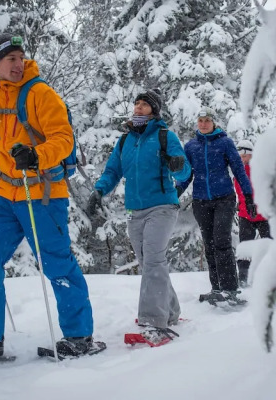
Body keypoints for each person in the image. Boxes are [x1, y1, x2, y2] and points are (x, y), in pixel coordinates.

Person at [0, 33, 99, 359]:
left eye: (20, 57)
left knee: (57, 264)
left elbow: (63, 139)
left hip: (43, 192)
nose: (18, 64)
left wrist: (35, 155)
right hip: (5, 194)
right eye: (10, 59)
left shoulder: (41, 94)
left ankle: (79, 336)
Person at [86, 89, 191, 345]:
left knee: (154, 259)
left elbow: (185, 168)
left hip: (163, 206)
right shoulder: (125, 141)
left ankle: (153, 323)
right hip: (136, 210)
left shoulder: (165, 136)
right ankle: (172, 312)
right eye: (136, 104)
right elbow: (112, 170)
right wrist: (99, 191)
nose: (138, 107)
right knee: (148, 263)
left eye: (144, 104)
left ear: (154, 110)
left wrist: (177, 164)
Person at [176, 107, 256, 305]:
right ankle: (216, 288)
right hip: (201, 202)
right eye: (200, 120)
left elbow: (239, 170)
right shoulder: (191, 146)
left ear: (214, 122)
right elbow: (187, 177)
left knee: (221, 241)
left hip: (224, 199)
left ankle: (230, 289)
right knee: (209, 244)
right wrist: (173, 194)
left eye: (207, 120)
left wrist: (248, 196)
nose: (203, 123)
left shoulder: (225, 143)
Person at [235, 139, 271, 287]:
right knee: (244, 247)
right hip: (245, 215)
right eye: (240, 155)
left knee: (269, 245)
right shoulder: (238, 171)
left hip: (263, 215)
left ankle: (270, 274)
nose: (242, 158)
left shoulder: (259, 169)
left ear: (251, 155)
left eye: (245, 155)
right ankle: (243, 277)